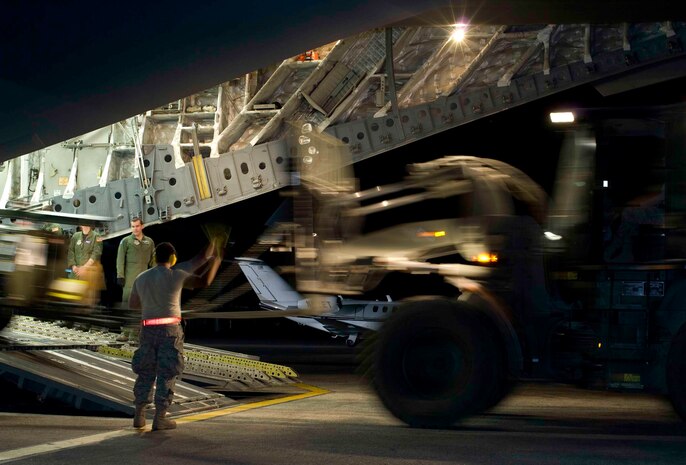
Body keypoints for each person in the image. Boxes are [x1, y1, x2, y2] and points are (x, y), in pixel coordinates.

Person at [129, 241, 221, 430]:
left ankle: (139, 416)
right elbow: (202, 272)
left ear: (154, 258)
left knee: (145, 372)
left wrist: (151, 300)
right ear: (173, 258)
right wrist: (216, 255)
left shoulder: (141, 277)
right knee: (167, 374)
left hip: (147, 328)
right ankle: (160, 418)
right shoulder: (177, 274)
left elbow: (133, 304)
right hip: (169, 330)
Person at [116, 217, 155, 341]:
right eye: (133, 226)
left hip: (144, 278)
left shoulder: (149, 242)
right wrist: (120, 275)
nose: (135, 229)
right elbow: (120, 259)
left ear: (142, 226)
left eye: (137, 226)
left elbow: (153, 259)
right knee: (128, 304)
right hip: (129, 279)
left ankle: (136, 333)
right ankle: (126, 333)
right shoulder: (126, 241)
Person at [66, 224, 105, 306]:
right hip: (75, 273)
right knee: (73, 300)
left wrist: (85, 267)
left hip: (89, 273)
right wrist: (73, 266)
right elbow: (70, 251)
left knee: (87, 301)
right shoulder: (75, 236)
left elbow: (96, 253)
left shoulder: (97, 236)